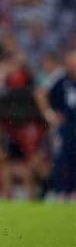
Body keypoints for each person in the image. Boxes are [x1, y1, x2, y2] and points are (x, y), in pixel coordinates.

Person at [34, 49, 76, 200]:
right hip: (66, 128)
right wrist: (49, 115)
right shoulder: (61, 78)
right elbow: (40, 93)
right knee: (62, 158)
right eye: (71, 62)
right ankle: (62, 192)